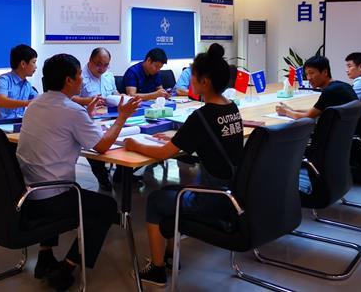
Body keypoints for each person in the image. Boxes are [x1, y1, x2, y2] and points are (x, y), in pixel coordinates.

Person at [16, 54, 141, 290]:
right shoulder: (71, 110)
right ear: (68, 80)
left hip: (27, 193)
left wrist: (87, 117)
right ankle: (67, 267)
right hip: (52, 198)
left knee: (58, 183)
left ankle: (45, 256)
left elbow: (60, 131)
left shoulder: (35, 104)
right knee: (106, 207)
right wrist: (122, 118)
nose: (81, 79)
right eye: (79, 75)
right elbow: (102, 146)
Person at [124, 43, 243, 287]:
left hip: (210, 198)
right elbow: (198, 141)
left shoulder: (201, 116)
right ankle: (169, 256)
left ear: (204, 82)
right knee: (170, 193)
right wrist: (173, 139)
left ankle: (157, 270)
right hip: (232, 192)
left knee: (156, 201)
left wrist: (134, 144)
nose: (190, 81)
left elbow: (163, 153)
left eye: (194, 76)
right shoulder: (232, 108)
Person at [77, 47, 120, 191]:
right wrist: (87, 100)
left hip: (108, 117)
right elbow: (69, 98)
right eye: (98, 64)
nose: (102, 69)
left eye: (106, 65)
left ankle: (121, 174)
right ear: (90, 61)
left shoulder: (109, 76)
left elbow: (115, 93)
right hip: (86, 119)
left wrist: (120, 98)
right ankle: (103, 178)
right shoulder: (79, 76)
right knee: (94, 141)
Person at [275, 55, 357, 120]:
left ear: (325, 72)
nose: (308, 78)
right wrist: (292, 110)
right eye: (307, 74)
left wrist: (286, 112)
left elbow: (308, 116)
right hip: (351, 133)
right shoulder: (344, 86)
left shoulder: (330, 91)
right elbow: (316, 111)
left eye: (311, 73)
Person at [0, 44, 38, 123]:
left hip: (15, 124)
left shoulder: (27, 85)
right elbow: (1, 101)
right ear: (23, 64)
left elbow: (38, 99)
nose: (36, 67)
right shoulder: (2, 81)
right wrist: (27, 103)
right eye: (34, 62)